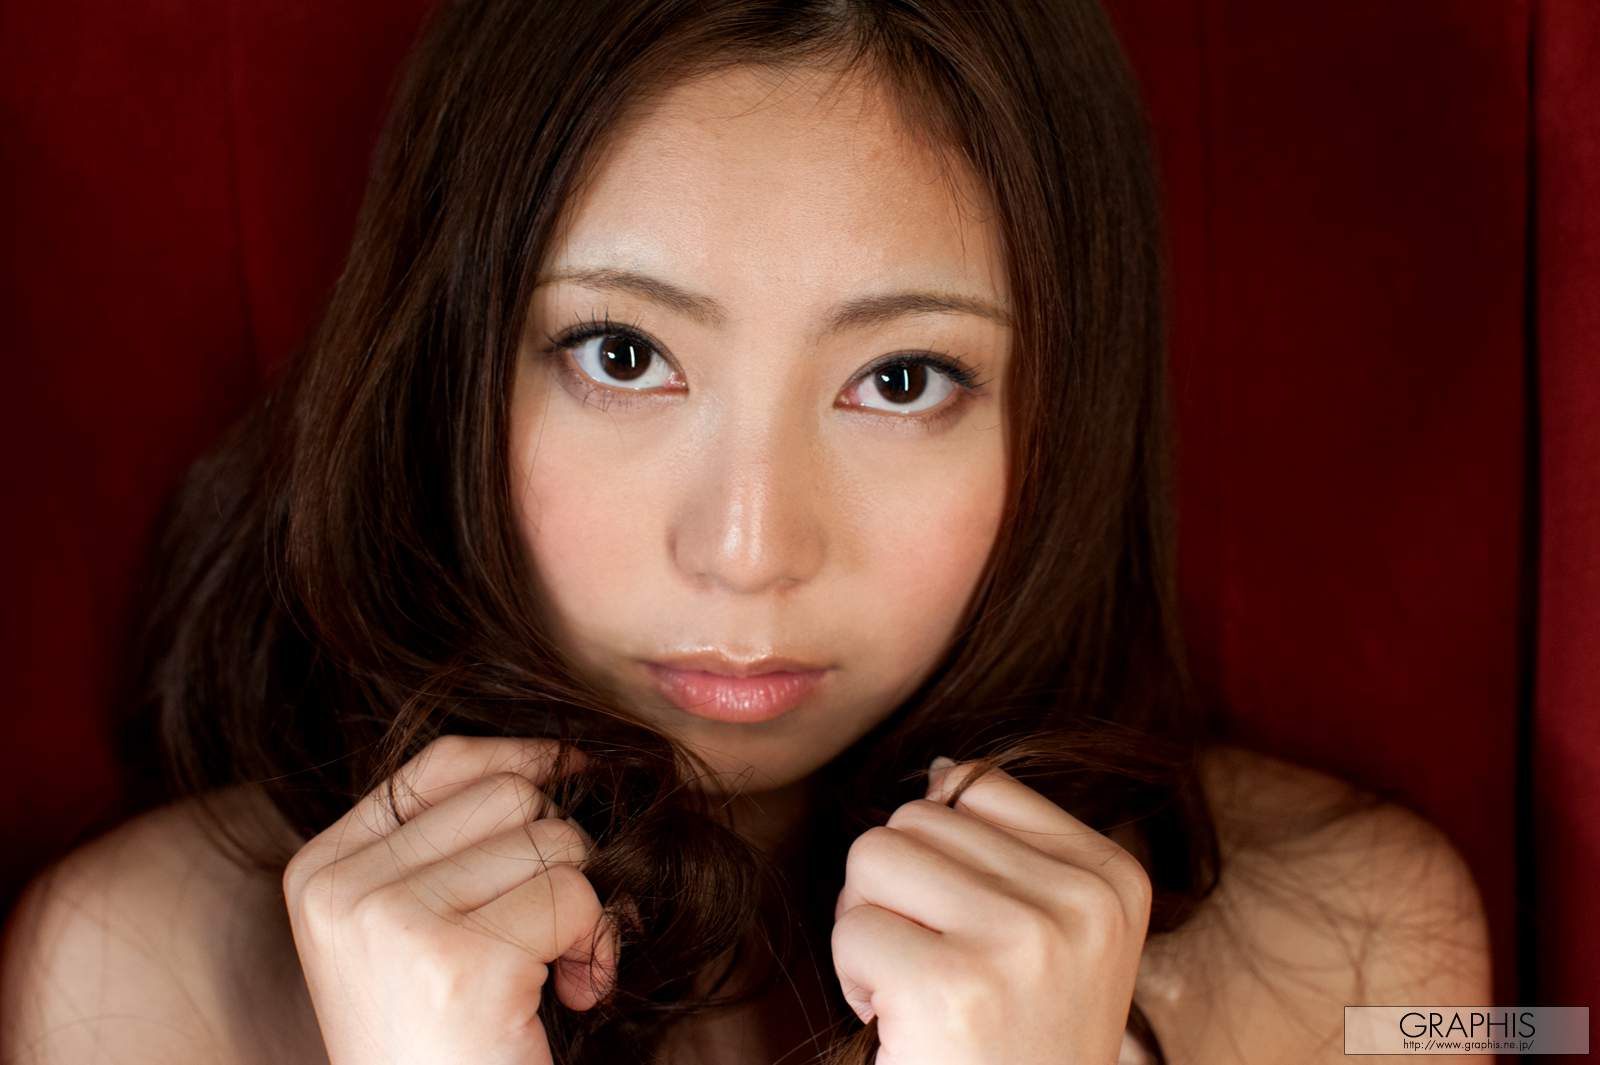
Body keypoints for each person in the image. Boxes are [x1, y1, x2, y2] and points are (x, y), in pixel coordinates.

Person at [0, 1, 1492, 1063]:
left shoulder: (1371, 951)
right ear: (449, 364)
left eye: (901, 380)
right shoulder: (141, 968)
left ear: (1065, 410)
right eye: (623, 355)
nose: (748, 550)